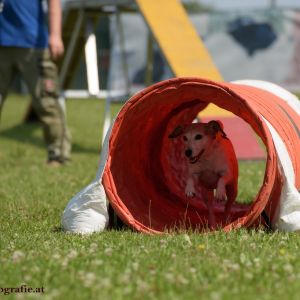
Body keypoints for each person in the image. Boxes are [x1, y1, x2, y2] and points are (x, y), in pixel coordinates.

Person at [0, 0, 71, 166]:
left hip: (33, 45)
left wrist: (55, 35)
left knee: (47, 103)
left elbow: (54, 2)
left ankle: (58, 155)